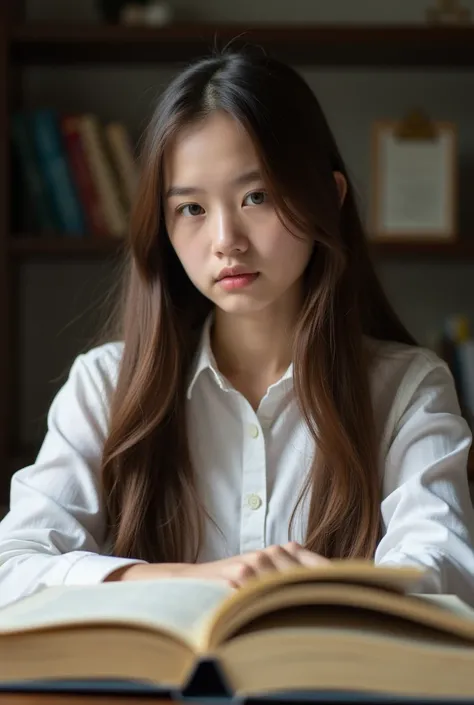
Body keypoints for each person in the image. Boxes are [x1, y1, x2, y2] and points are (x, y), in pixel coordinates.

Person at [1, 48, 474, 610]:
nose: (226, 239)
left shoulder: (406, 390)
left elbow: (443, 577)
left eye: (257, 197)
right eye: (192, 209)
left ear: (330, 197)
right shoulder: (104, 385)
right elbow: (14, 567)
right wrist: (194, 579)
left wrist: (302, 596)